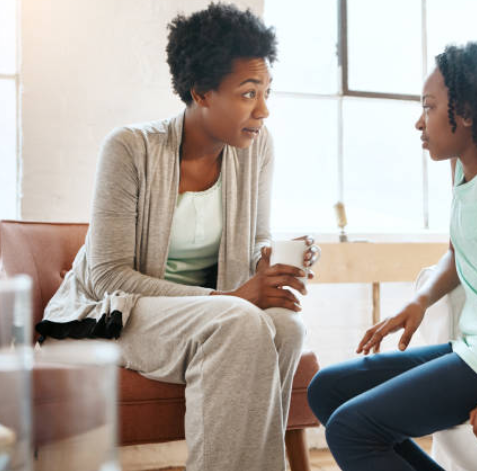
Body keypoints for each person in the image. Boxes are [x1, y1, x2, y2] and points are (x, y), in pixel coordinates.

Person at [36, 4, 319, 470]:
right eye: (249, 93)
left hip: (206, 313)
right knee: (236, 320)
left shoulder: (256, 147)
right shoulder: (130, 148)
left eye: (267, 92)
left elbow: (254, 238)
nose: (264, 110)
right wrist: (227, 296)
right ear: (201, 92)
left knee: (288, 326)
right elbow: (108, 277)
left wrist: (270, 260)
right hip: (112, 314)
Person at [307, 39, 477, 471]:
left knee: (350, 429)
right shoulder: (461, 168)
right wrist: (419, 301)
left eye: (429, 107)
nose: (419, 122)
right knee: (327, 389)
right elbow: (457, 255)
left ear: (468, 114)